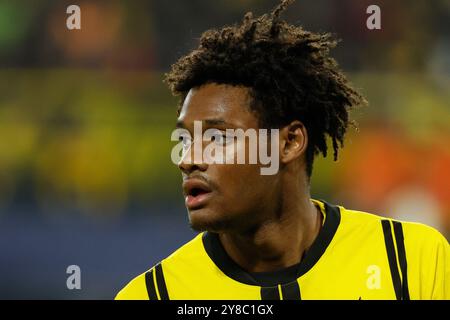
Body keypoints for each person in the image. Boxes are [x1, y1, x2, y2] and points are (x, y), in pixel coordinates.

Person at [116, 0, 449, 300]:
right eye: (185, 140)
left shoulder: (411, 262)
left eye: (217, 139)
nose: (188, 159)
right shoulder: (154, 295)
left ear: (289, 143)